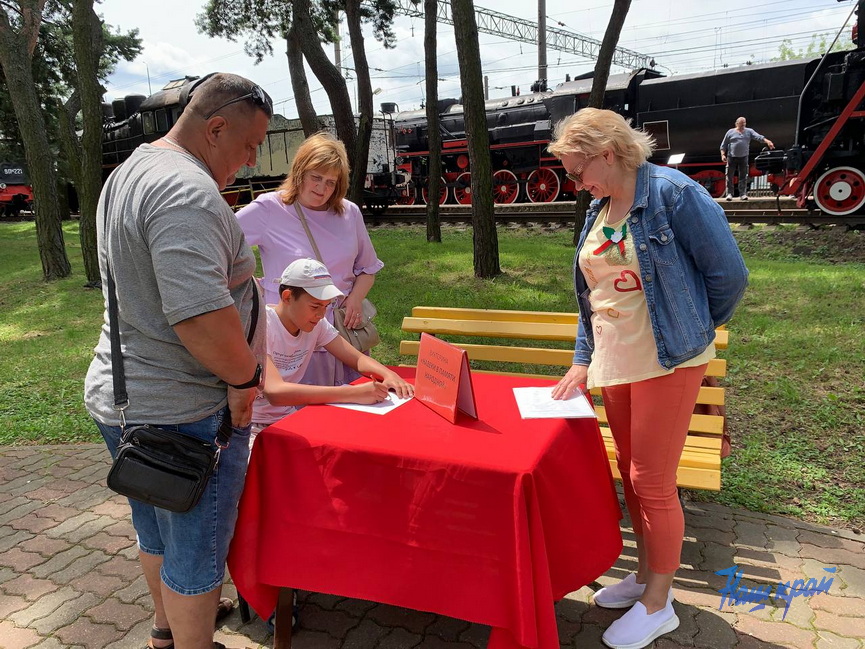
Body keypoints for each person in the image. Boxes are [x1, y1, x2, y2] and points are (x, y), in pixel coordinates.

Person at [84, 72, 273, 649]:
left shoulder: (132, 169)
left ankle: (165, 632)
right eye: (247, 146)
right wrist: (244, 380)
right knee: (196, 552)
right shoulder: (188, 193)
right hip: (185, 413)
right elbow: (199, 317)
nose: (247, 161)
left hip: (126, 397)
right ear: (215, 128)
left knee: (155, 527)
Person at [547, 108, 748, 649]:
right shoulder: (599, 208)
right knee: (631, 474)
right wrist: (583, 359)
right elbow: (593, 298)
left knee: (651, 480)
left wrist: (693, 332)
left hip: (667, 360)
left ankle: (660, 605)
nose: (574, 182)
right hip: (618, 360)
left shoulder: (674, 195)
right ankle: (645, 577)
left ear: (607, 153)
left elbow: (730, 275)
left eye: (575, 170)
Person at [236, 132, 383, 387]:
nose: (322, 189)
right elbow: (219, 244)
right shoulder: (270, 209)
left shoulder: (350, 213)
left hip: (344, 332)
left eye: (331, 182)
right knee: (298, 414)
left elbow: (367, 269)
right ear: (300, 172)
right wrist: (250, 288)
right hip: (290, 339)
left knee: (352, 412)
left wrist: (355, 300)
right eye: (316, 177)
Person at [250, 257, 413, 444]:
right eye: (315, 306)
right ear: (287, 297)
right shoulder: (262, 326)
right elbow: (276, 392)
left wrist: (389, 374)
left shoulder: (316, 324)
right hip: (250, 426)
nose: (321, 314)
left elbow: (356, 358)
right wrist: (354, 394)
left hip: (287, 418)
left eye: (326, 306)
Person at [720, 116, 774, 200]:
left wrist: (768, 141)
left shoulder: (749, 131)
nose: (743, 126)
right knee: (729, 176)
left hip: (743, 157)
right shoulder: (730, 132)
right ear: (737, 124)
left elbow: (758, 137)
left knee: (743, 176)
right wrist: (723, 155)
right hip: (731, 157)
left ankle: (743, 194)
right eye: (741, 124)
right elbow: (724, 145)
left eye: (744, 123)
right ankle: (729, 194)